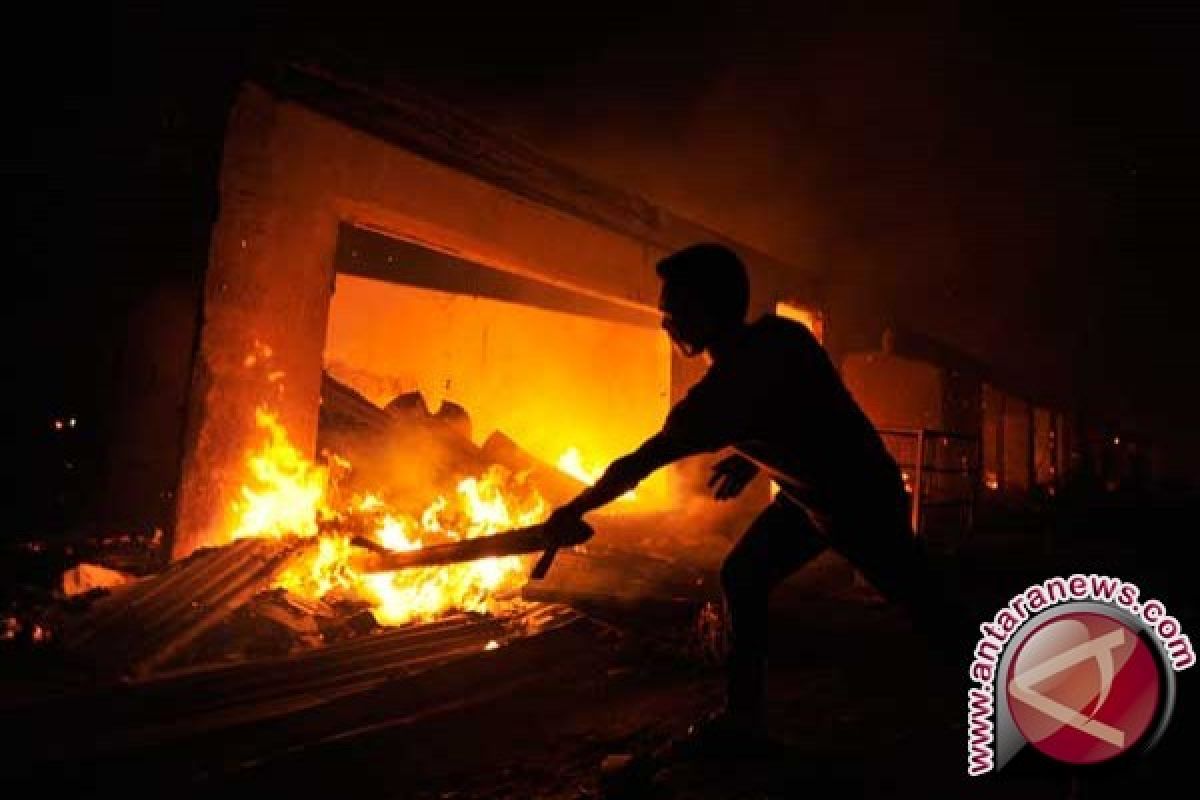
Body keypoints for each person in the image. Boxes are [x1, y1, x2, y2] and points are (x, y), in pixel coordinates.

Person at [544, 243, 957, 753]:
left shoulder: (719, 397)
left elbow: (640, 462)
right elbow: (804, 414)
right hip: (822, 497)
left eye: (673, 312)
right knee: (743, 574)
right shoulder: (787, 338)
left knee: (929, 608)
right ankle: (744, 720)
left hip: (855, 505)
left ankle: (1002, 703)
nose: (666, 324)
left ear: (708, 310)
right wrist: (751, 457)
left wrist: (574, 509)